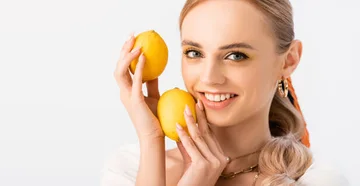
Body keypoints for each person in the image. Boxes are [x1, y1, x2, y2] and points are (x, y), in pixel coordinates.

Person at [102, 0, 349, 185]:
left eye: (235, 55)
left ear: (289, 60)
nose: (209, 77)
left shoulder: (316, 180)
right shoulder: (131, 168)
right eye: (194, 53)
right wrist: (152, 140)